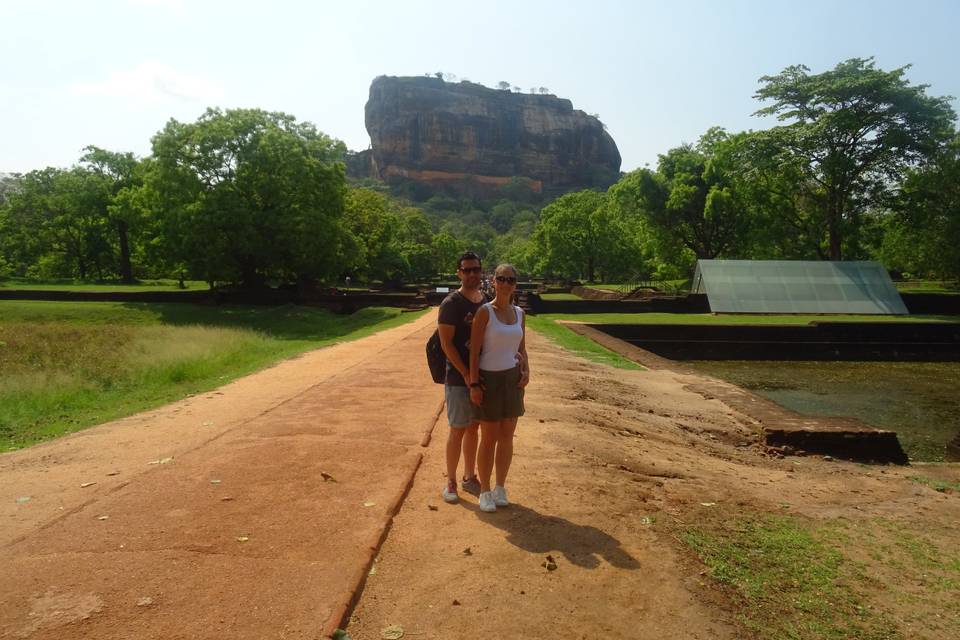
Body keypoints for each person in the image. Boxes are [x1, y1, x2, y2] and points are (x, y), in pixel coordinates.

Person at [468, 263, 529, 513]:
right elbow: (474, 351)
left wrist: (527, 371)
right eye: (501, 279)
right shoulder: (485, 312)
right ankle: (484, 491)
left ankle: (500, 487)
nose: (506, 284)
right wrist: (473, 383)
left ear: (515, 284)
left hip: (512, 379)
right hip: (489, 379)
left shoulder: (520, 313)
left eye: (510, 280)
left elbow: (522, 348)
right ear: (493, 281)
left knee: (506, 437)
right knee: (489, 438)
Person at [436, 251, 485, 503]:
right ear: (458, 273)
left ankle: (469, 476)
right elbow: (446, 344)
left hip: (480, 374)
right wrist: (465, 373)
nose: (472, 274)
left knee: (474, 427)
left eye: (475, 269)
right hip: (458, 377)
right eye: (466, 270)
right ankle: (451, 482)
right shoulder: (451, 304)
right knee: (458, 428)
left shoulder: (483, 300)